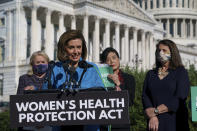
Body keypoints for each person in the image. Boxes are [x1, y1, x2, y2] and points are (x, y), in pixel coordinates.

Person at [42, 30, 105, 131]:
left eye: (79, 47)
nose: (76, 52)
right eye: (71, 47)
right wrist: (32, 90)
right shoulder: (55, 68)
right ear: (64, 49)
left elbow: (103, 96)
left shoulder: (91, 68)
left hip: (88, 126)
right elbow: (43, 96)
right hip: (60, 126)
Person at [142, 39, 190, 131]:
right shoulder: (151, 74)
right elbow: (145, 95)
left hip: (174, 121)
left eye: (164, 50)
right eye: (159, 50)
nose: (161, 53)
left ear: (172, 52)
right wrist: (152, 115)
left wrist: (156, 111)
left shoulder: (180, 72)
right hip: (154, 124)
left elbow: (180, 96)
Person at [100, 47, 135, 131]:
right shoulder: (100, 79)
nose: (112, 61)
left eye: (114, 58)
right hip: (104, 125)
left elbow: (130, 102)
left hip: (121, 125)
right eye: (108, 59)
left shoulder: (129, 78)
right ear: (104, 63)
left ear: (119, 59)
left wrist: (118, 84)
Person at [17, 51, 51, 131]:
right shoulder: (24, 78)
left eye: (43, 62)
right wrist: (25, 93)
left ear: (48, 63)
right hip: (28, 124)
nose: (40, 64)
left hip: (48, 124)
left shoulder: (52, 79)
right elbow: (18, 101)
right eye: (37, 62)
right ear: (32, 64)